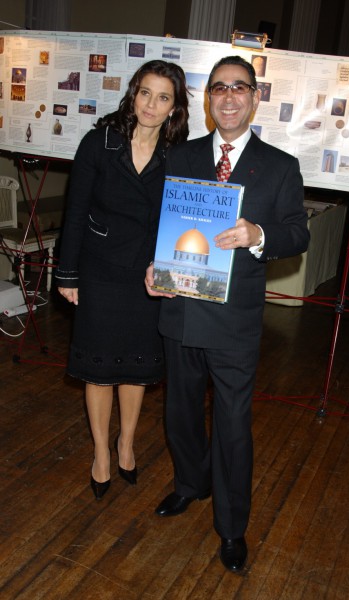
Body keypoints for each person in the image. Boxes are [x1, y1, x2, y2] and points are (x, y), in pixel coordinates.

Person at [145, 55, 310, 572]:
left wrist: (258, 235)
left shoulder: (281, 166)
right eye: (219, 88)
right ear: (209, 101)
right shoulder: (182, 157)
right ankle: (190, 485)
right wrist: (152, 266)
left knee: (234, 425)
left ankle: (232, 527)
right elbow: (160, 225)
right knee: (181, 413)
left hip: (235, 320)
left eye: (240, 87)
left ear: (255, 98)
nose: (230, 96)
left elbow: (297, 234)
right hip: (180, 307)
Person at [56, 60, 189, 500]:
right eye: (145, 92)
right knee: (99, 369)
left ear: (174, 108)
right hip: (99, 271)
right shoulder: (100, 142)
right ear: (133, 94)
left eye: (163, 97)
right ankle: (100, 453)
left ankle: (126, 443)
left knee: (135, 368)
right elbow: (74, 211)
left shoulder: (178, 154)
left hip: (148, 276)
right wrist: (68, 273)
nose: (152, 104)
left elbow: (184, 218)